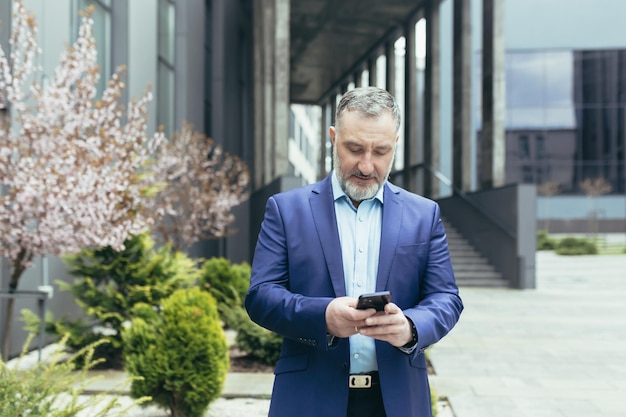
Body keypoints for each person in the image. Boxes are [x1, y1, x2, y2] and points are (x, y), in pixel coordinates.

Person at [245, 86, 463, 417]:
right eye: (354, 148)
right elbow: (261, 296)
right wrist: (323, 317)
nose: (366, 164)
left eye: (381, 151)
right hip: (308, 400)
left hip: (397, 401)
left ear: (396, 146)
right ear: (333, 137)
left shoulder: (424, 214)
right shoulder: (285, 210)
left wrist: (410, 328)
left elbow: (446, 298)